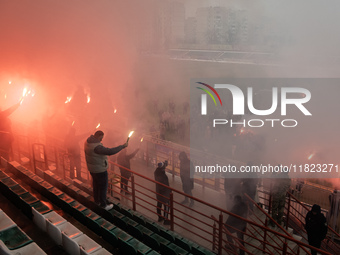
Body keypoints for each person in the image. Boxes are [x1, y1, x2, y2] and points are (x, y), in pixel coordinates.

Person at [84, 130, 128, 210]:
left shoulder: (88, 142)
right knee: (103, 187)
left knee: (96, 186)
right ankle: (103, 205)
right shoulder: (96, 147)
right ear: (98, 136)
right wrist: (122, 146)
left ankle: (97, 201)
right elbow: (110, 151)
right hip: (100, 170)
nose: (101, 140)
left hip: (93, 169)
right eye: (101, 138)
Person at [154, 161, 171, 225]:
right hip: (164, 192)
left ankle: (160, 217)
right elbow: (164, 184)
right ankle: (166, 219)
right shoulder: (162, 174)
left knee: (159, 204)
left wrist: (165, 163)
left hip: (158, 192)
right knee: (166, 205)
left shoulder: (156, 171)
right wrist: (168, 191)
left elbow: (163, 166)